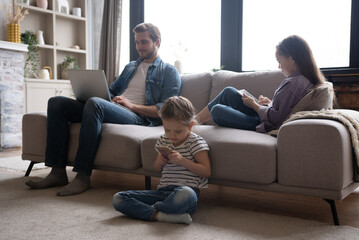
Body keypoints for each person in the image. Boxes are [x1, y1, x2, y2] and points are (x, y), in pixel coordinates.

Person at [25, 23, 181, 196]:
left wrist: (131, 105)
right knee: (57, 103)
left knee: (95, 104)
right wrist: (90, 93)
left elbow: (166, 110)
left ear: (157, 42)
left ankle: (83, 176)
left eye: (143, 42)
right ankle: (57, 172)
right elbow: (111, 92)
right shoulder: (130, 67)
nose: (139, 47)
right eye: (137, 42)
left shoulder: (168, 71)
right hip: (115, 108)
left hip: (139, 116)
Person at [196, 35, 327, 133]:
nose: (279, 66)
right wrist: (269, 103)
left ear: (291, 58)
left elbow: (276, 119)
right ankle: (194, 121)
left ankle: (193, 122)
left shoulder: (295, 83)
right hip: (263, 117)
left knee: (217, 110)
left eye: (280, 61)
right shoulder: (301, 80)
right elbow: (282, 110)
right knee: (228, 92)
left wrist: (254, 105)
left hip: (262, 123)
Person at [113, 96, 211, 224]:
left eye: (178, 131)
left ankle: (151, 210)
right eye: (167, 130)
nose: (172, 135)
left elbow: (206, 172)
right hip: (162, 192)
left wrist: (183, 161)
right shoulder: (164, 140)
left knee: (186, 193)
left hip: (185, 193)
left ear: (190, 125)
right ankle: (161, 215)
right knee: (118, 198)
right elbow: (158, 169)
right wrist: (159, 162)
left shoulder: (196, 142)